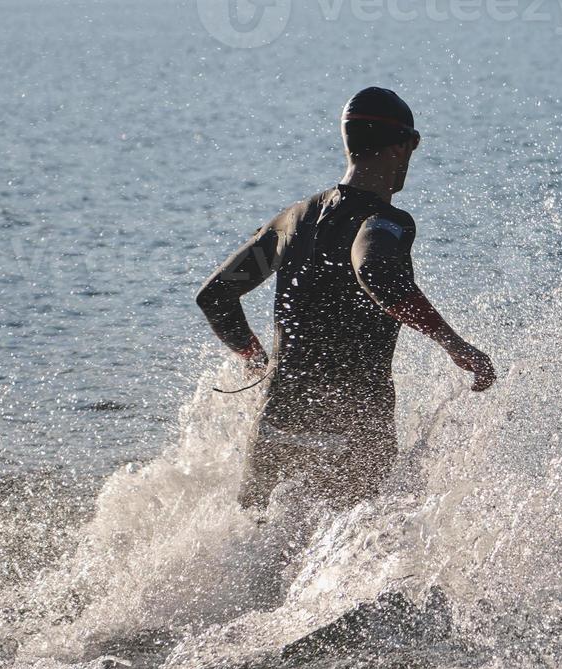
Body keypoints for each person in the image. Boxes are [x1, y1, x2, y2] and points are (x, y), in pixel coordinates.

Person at [195, 87, 496, 510]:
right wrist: (453, 344)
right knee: (361, 549)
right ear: (402, 145)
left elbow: (216, 296)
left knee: (255, 548)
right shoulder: (385, 220)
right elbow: (373, 269)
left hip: (277, 421)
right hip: (351, 429)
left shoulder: (294, 218)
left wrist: (256, 359)